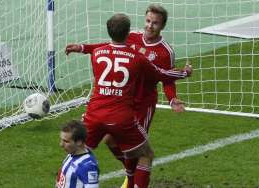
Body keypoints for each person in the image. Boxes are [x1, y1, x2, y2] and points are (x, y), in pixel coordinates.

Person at [65, 5, 191, 187]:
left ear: (163, 26)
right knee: (111, 140)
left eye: (155, 23)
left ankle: (130, 179)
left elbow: (167, 79)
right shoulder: (132, 37)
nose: (150, 26)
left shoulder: (165, 51)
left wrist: (172, 99)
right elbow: (108, 46)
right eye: (148, 21)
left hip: (143, 104)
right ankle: (132, 175)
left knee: (135, 151)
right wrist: (84, 47)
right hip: (124, 103)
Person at [56, 120, 99, 188]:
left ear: (79, 142)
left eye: (66, 141)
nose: (61, 144)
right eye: (61, 140)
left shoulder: (87, 166)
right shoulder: (71, 154)